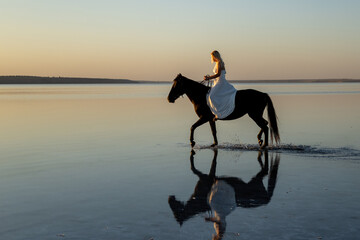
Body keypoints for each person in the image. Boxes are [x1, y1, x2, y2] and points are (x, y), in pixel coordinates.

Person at [204, 50, 237, 121]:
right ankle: (217, 112)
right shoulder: (219, 63)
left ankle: (218, 114)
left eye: (212, 56)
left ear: (215, 56)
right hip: (217, 82)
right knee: (211, 95)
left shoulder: (219, 63)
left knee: (211, 96)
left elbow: (218, 74)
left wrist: (208, 78)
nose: (211, 58)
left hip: (220, 82)